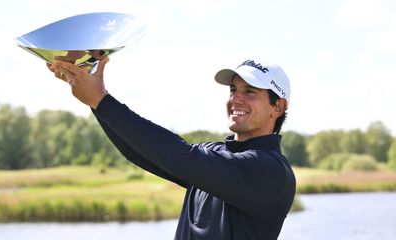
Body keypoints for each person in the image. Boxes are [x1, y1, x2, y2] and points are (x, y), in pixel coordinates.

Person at [47, 57, 296, 240]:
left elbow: (178, 156)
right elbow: (146, 153)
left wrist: (101, 100)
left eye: (250, 92)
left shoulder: (270, 170)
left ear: (278, 107)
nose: (236, 99)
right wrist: (96, 103)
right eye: (233, 90)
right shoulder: (217, 153)